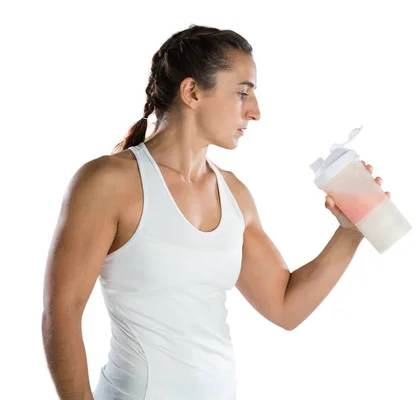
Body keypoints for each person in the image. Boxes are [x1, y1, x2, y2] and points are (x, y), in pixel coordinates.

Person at [41, 24, 389, 400]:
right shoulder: (108, 182)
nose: (255, 112)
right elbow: (62, 312)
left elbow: (285, 305)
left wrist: (351, 232)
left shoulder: (234, 193)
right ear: (192, 92)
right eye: (243, 93)